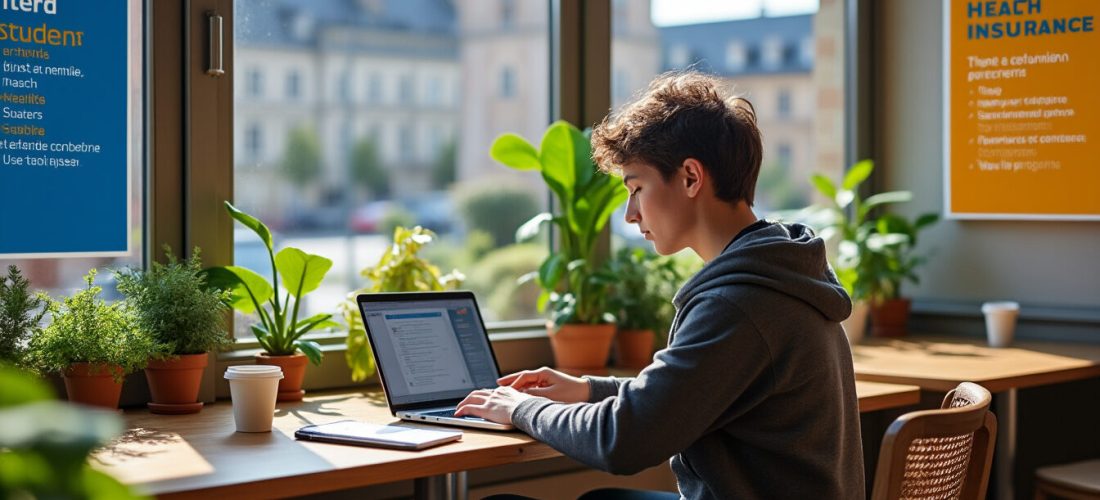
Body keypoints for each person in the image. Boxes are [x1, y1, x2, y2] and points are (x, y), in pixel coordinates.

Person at [456, 71, 865, 499]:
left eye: (637, 188)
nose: (631, 214)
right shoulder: (781, 273)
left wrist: (522, 408)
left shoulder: (741, 302)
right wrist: (589, 389)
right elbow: (684, 396)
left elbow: (625, 440)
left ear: (691, 177)